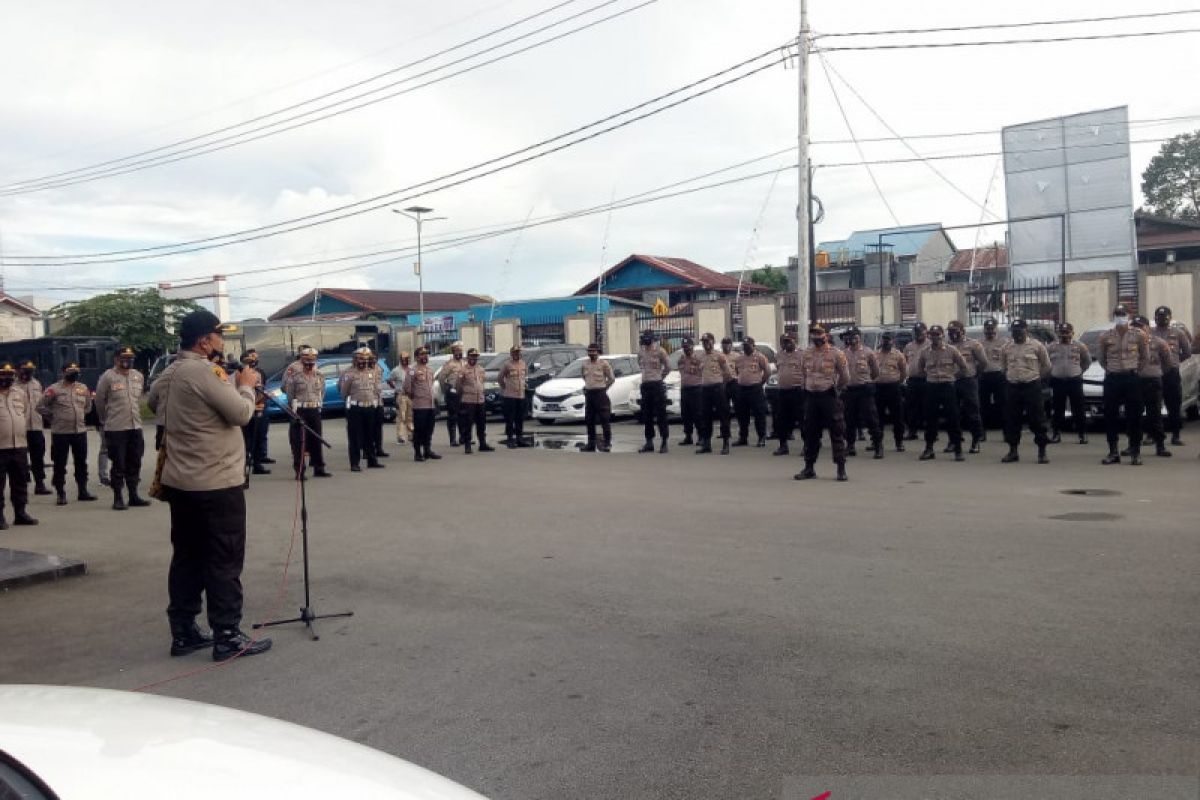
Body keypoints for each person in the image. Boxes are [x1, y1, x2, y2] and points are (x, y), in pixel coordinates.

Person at [148, 309, 272, 662]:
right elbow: (242, 414)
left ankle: (184, 630)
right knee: (223, 558)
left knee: (188, 557)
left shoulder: (171, 371)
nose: (221, 340)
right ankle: (227, 635)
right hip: (215, 483)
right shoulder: (205, 372)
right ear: (205, 341)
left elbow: (153, 401)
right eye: (218, 334)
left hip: (182, 483)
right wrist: (246, 387)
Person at [93, 346, 150, 510]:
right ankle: (118, 497)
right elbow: (99, 401)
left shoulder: (138, 376)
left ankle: (134, 495)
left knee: (135, 462)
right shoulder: (108, 377)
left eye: (130, 358)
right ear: (116, 359)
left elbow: (137, 400)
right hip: (116, 428)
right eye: (124, 358)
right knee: (119, 464)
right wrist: (105, 419)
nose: (127, 361)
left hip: (135, 426)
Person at [794, 324, 850, 481]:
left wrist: (836, 388)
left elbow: (845, 376)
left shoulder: (836, 354)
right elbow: (804, 374)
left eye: (819, 333)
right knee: (810, 433)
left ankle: (841, 468)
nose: (816, 337)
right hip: (812, 397)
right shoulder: (806, 354)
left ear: (825, 335)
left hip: (829, 397)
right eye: (813, 334)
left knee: (837, 432)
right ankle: (809, 468)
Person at [36, 362, 97, 505]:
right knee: (60, 464)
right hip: (61, 433)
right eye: (70, 371)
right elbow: (40, 406)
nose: (74, 373)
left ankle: (83, 490)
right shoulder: (54, 389)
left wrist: (79, 415)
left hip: (79, 431)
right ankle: (60, 493)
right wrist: (54, 416)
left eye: (76, 371)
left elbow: (88, 407)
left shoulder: (82, 388)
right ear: (63, 372)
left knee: (81, 463)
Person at [1097, 305, 1148, 466]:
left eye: (1123, 314)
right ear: (1113, 317)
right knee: (1111, 416)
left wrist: (1133, 371)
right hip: (1113, 379)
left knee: (1134, 416)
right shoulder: (1105, 336)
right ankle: (1113, 452)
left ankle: (1135, 452)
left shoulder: (1139, 335)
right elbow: (1101, 358)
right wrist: (1112, 370)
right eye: (1118, 314)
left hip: (1131, 378)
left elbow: (1145, 357)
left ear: (1129, 316)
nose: (1120, 317)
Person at [1000, 318, 1052, 464]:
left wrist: (1035, 378)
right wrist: (1011, 377)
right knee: (1012, 419)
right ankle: (1013, 451)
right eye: (1014, 332)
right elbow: (1003, 367)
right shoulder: (1007, 347)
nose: (1017, 335)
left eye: (1019, 331)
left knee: (1037, 420)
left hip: (1031, 386)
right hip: (1013, 386)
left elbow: (1047, 366)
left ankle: (1042, 451)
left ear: (1026, 330)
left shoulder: (1037, 346)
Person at [916, 325, 968, 462]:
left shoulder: (952, 350)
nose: (934, 337)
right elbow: (920, 369)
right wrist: (929, 378)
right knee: (930, 419)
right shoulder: (925, 352)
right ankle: (929, 448)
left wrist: (952, 377)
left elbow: (964, 368)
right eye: (932, 335)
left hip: (948, 386)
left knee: (953, 418)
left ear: (942, 336)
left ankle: (957, 449)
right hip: (932, 386)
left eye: (937, 335)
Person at [282, 347, 331, 479]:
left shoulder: (319, 375)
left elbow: (322, 392)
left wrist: (318, 403)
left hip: (314, 409)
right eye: (307, 360)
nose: (310, 362)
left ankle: (318, 467)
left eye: (312, 360)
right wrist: (294, 408)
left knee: (316, 439)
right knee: (298, 441)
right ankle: (299, 470)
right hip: (299, 410)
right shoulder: (294, 375)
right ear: (302, 360)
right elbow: (289, 393)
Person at [0, 363, 38, 528]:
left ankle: (20, 513)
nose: (6, 378)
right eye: (3, 374)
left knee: (20, 481)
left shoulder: (19, 393)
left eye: (9, 374)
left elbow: (24, 412)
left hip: (19, 446)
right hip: (0, 448)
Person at [1131, 315, 1173, 458]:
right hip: (1135, 381)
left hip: (1153, 381)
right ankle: (1132, 446)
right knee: (1134, 415)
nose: (1137, 330)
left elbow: (1168, 363)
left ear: (1147, 328)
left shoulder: (1159, 343)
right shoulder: (1128, 344)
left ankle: (1160, 446)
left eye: (1140, 327)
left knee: (1155, 415)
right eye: (1135, 327)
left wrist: (1157, 372)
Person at [1151, 306, 1192, 446]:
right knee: (1153, 406)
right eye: (1159, 316)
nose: (1162, 319)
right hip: (1154, 373)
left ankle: (1176, 435)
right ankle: (1152, 435)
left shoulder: (1178, 333)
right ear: (1155, 318)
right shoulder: (1149, 333)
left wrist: (1175, 362)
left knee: (1174, 405)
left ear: (1169, 317)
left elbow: (1187, 352)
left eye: (1165, 317)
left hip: (1171, 374)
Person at [339, 347, 384, 472]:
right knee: (355, 437)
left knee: (370, 435)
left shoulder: (373, 372)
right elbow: (344, 392)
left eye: (365, 359)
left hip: (370, 407)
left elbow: (376, 390)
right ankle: (355, 463)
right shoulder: (349, 374)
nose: (363, 362)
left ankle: (372, 460)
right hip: (355, 408)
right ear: (355, 360)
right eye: (360, 359)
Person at [841, 327, 882, 458]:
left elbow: (876, 372)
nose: (851, 339)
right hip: (850, 390)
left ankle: (877, 446)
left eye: (854, 336)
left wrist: (867, 381)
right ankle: (850, 446)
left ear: (859, 337)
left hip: (864, 390)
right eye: (849, 336)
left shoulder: (868, 352)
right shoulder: (843, 353)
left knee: (871, 419)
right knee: (849, 420)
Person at [947, 320, 987, 454]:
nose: (953, 335)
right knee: (952, 413)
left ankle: (976, 440)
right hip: (951, 381)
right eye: (950, 332)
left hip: (968, 381)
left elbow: (983, 363)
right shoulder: (946, 346)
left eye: (955, 332)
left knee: (972, 412)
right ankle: (954, 441)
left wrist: (974, 374)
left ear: (962, 331)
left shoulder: (973, 344)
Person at [1047, 323, 1090, 445]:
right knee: (1057, 409)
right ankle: (1056, 434)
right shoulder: (1051, 347)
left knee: (1078, 409)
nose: (1064, 335)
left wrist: (1078, 371)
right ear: (1058, 333)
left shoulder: (1080, 346)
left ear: (1072, 333)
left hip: (1074, 380)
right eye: (1062, 332)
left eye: (1067, 332)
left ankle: (1082, 434)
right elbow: (1045, 361)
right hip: (1058, 381)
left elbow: (1087, 361)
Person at [16, 360, 50, 496]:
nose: (28, 373)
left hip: (36, 426)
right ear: (18, 371)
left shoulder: (36, 384)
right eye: (25, 370)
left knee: (38, 457)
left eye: (30, 370)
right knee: (20, 459)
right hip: (20, 428)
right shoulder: (12, 385)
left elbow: (41, 404)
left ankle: (40, 484)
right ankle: (22, 485)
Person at [698, 332, 733, 454]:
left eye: (708, 341)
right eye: (703, 342)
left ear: (713, 342)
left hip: (718, 388)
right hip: (705, 389)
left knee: (723, 416)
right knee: (706, 417)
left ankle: (726, 444)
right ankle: (707, 444)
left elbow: (728, 373)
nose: (706, 344)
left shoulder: (719, 356)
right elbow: (699, 373)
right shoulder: (701, 357)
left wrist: (721, 384)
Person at [637, 330, 671, 453]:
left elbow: (668, 367)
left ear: (652, 339)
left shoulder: (660, 351)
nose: (646, 341)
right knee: (647, 415)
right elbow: (640, 365)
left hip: (657, 384)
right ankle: (649, 442)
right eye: (644, 339)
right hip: (646, 385)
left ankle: (664, 442)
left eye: (648, 339)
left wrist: (660, 377)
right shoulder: (641, 352)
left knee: (661, 415)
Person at [404, 346, 440, 461]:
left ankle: (427, 450)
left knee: (429, 429)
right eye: (422, 354)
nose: (425, 357)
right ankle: (418, 453)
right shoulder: (412, 371)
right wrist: (416, 397)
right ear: (417, 357)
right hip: (420, 405)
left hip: (430, 405)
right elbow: (407, 388)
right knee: (419, 430)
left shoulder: (429, 370)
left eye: (426, 354)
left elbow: (431, 385)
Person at [874, 331, 907, 454]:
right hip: (878, 388)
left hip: (893, 388)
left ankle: (899, 442)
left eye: (888, 339)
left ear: (892, 341)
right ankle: (877, 443)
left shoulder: (898, 355)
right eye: (884, 339)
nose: (885, 342)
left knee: (897, 417)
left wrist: (896, 382)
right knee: (878, 417)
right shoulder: (875, 354)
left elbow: (904, 372)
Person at [238, 350, 271, 476]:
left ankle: (257, 463)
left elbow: (263, 388)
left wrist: (264, 398)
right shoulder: (239, 374)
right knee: (246, 438)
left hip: (258, 408)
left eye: (253, 361)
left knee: (259, 435)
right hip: (245, 408)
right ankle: (245, 463)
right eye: (249, 361)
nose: (252, 363)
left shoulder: (260, 372)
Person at [734, 337, 770, 447]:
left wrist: (760, 382)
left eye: (748, 346)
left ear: (753, 346)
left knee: (759, 415)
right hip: (742, 389)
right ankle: (743, 438)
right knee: (742, 415)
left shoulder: (759, 357)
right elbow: (737, 371)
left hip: (755, 389)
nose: (745, 348)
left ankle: (761, 437)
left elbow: (767, 371)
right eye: (744, 346)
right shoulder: (739, 358)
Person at [456, 348, 493, 454]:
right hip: (468, 400)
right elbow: (458, 385)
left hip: (480, 400)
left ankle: (482, 444)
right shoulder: (463, 370)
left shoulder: (480, 369)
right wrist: (463, 394)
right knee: (468, 423)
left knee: (481, 423)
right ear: (468, 357)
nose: (474, 358)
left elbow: (482, 382)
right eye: (472, 356)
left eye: (475, 356)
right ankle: (467, 445)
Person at [773, 332, 804, 456]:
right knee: (782, 420)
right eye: (785, 341)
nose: (786, 344)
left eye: (789, 341)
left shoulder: (802, 354)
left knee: (802, 420)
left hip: (797, 391)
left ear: (794, 341)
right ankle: (783, 446)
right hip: (783, 391)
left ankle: (806, 446)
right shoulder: (779, 355)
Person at [580, 343, 615, 452]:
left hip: (600, 394)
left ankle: (607, 443)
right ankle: (591, 443)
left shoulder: (604, 364)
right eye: (589, 351)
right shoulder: (585, 364)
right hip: (589, 394)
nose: (591, 353)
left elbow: (611, 378)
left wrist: (604, 388)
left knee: (604, 419)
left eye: (594, 351)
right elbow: (584, 377)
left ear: (598, 352)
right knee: (589, 419)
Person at [978, 318, 1008, 434]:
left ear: (996, 329)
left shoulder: (1004, 343)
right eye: (987, 329)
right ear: (984, 330)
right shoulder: (979, 343)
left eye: (992, 329)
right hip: (984, 376)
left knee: (1003, 404)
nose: (990, 331)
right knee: (983, 404)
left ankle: (1006, 432)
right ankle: (982, 432)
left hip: (999, 376)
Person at [903, 323, 931, 439]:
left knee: (928, 407)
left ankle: (930, 432)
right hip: (912, 380)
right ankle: (912, 431)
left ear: (926, 332)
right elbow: (904, 361)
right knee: (911, 407)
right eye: (917, 332)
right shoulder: (909, 346)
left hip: (927, 380)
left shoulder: (931, 344)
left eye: (921, 332)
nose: (919, 334)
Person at [498, 345, 528, 448]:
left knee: (520, 418)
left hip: (521, 395)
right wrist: (505, 388)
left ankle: (519, 438)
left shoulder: (523, 364)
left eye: (518, 352)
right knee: (510, 419)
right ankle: (510, 439)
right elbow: (500, 378)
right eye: (515, 353)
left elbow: (524, 377)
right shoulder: (507, 365)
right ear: (511, 354)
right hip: (510, 396)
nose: (517, 354)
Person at [438, 342, 467, 447]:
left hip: (463, 392)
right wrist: (445, 390)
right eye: (457, 351)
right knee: (453, 416)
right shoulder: (449, 364)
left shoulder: (464, 363)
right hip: (453, 392)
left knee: (463, 416)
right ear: (453, 352)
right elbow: (441, 378)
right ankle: (453, 439)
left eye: (460, 351)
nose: (459, 353)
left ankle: (463, 437)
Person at [676, 338, 703, 446]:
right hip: (685, 389)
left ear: (692, 347)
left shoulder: (698, 359)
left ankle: (701, 436)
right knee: (686, 414)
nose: (686, 349)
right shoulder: (681, 359)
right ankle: (688, 436)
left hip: (696, 388)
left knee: (698, 414)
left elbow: (702, 371)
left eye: (688, 347)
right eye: (684, 347)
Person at [366, 352, 389, 460]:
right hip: (368, 401)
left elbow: (379, 383)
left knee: (378, 426)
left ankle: (379, 448)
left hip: (378, 400)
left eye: (375, 358)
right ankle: (367, 450)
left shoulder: (379, 368)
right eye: (371, 358)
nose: (373, 360)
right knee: (368, 428)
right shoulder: (364, 369)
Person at [389, 351, 414, 445]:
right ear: (400, 360)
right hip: (401, 395)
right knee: (401, 416)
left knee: (410, 416)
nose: (405, 361)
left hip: (410, 395)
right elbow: (390, 380)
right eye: (403, 359)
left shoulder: (411, 369)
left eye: (407, 359)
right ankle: (401, 437)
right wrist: (395, 388)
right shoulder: (396, 370)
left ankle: (411, 434)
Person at [721, 336, 742, 435]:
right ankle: (725, 432)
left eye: (728, 344)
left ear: (731, 345)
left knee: (738, 408)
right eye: (724, 344)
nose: (726, 346)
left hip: (734, 383)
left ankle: (742, 432)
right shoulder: (719, 356)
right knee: (724, 409)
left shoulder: (737, 356)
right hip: (723, 383)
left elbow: (739, 369)